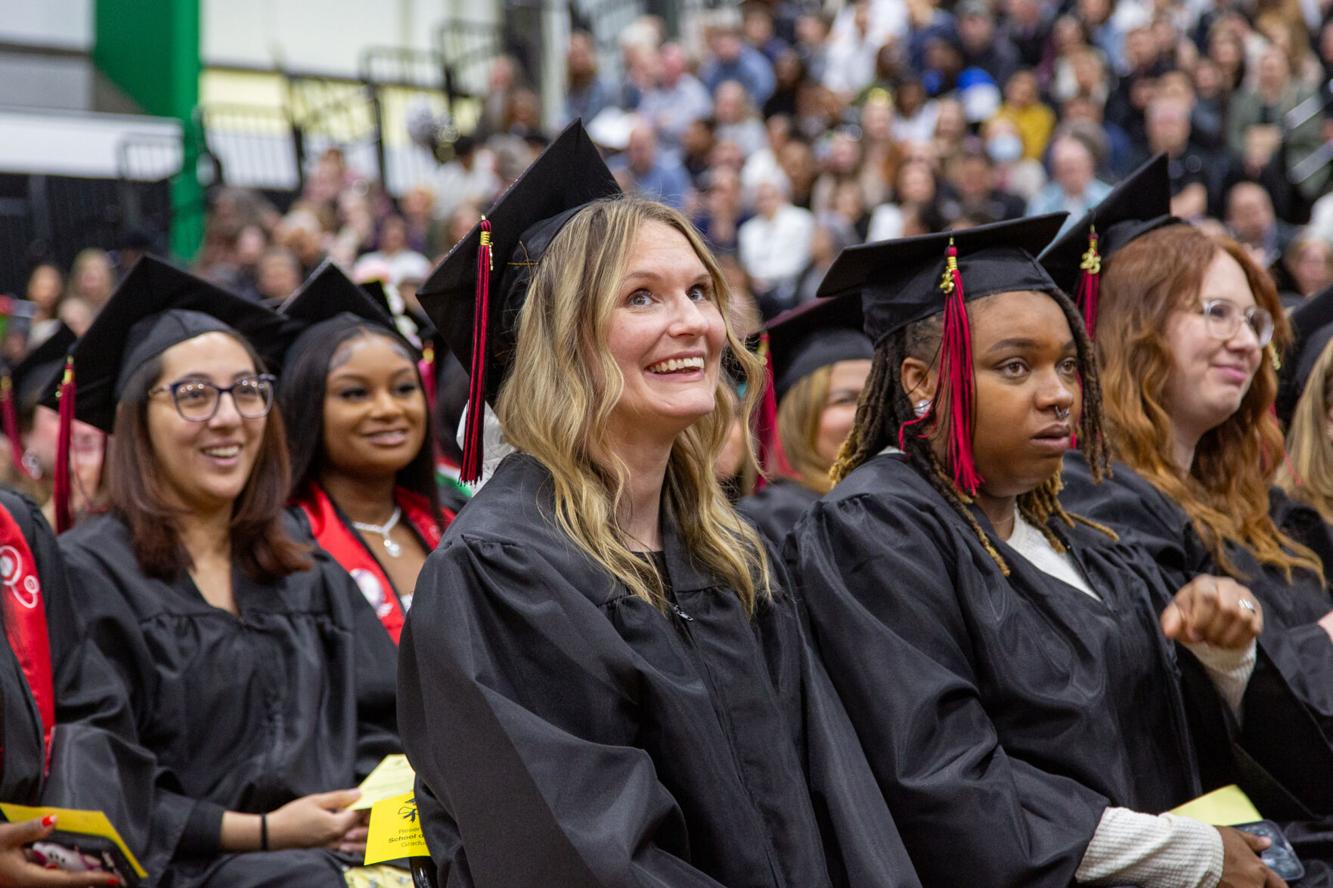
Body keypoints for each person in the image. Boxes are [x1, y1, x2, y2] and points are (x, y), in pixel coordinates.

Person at [400, 121, 920, 888]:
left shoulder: (725, 551)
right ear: (556, 340)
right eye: (641, 297)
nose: (694, 324)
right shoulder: (502, 571)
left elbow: (838, 799)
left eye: (699, 291)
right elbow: (581, 859)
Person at [791, 215, 1293, 886]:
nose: (1058, 394)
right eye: (1014, 366)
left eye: (1068, 366)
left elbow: (1169, 739)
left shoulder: (1079, 537)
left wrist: (1222, 653)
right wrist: (1187, 855)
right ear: (919, 380)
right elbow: (940, 777)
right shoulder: (877, 528)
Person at [52, 256, 401, 887]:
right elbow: (104, 779)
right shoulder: (89, 575)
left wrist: (372, 811)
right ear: (137, 420)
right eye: (193, 395)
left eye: (247, 390)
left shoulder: (303, 562)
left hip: (343, 858)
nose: (228, 417)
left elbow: (383, 719)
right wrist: (266, 832)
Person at [1056, 220, 1333, 821]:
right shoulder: (1092, 502)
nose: (1247, 341)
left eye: (1254, 321)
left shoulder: (1269, 517)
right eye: (1217, 313)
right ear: (1138, 327)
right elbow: (1173, 706)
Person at [278, 261, 449, 643]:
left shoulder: (455, 520)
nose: (388, 409)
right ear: (305, 408)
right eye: (355, 393)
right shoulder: (282, 546)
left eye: (404, 388)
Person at [737, 295, 872, 548]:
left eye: (876, 396)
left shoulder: (897, 499)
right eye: (845, 399)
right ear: (799, 418)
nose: (867, 413)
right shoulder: (771, 520)